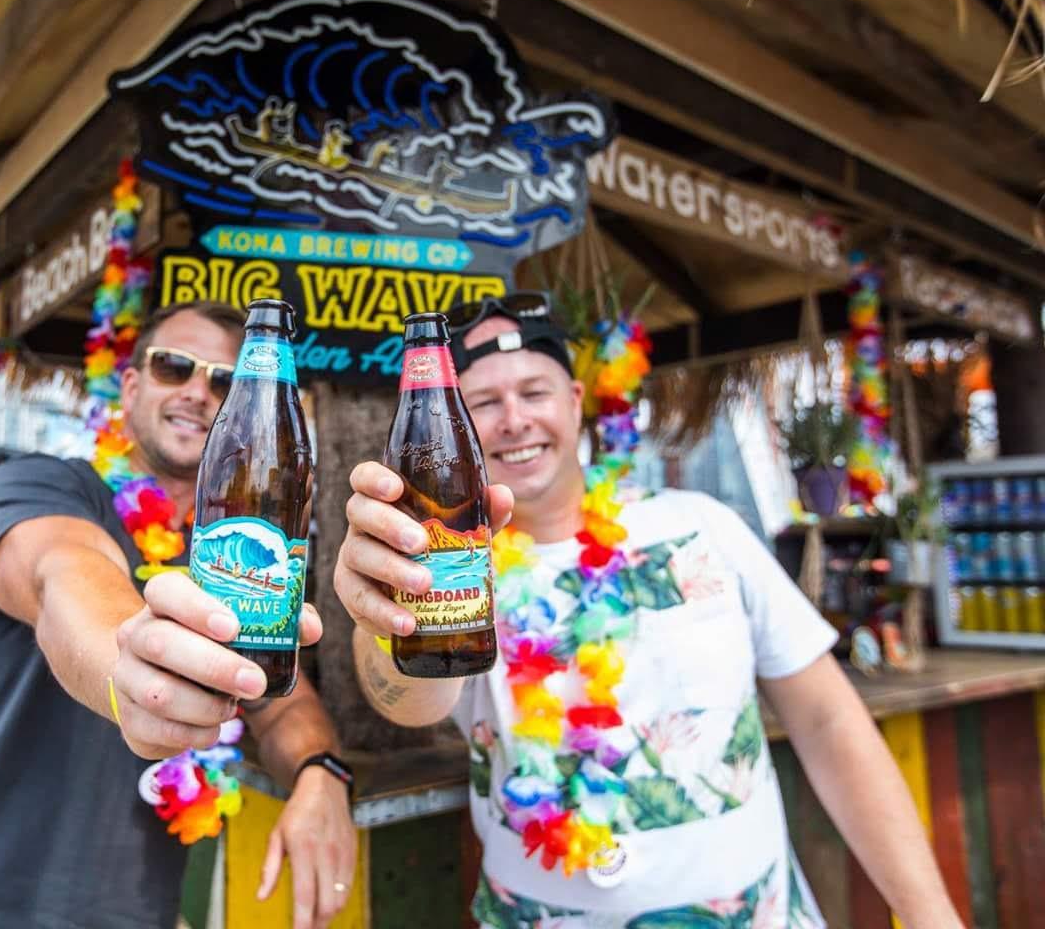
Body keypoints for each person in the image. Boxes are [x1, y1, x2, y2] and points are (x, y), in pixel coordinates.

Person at [334, 296, 964, 928]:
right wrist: (384, 609)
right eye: (484, 403)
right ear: (453, 425)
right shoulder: (448, 574)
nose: (514, 420)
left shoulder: (702, 526)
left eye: (534, 392)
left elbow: (828, 720)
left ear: (576, 399)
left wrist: (929, 913)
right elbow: (408, 703)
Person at [0, 303, 356, 929]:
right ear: (132, 384)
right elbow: (64, 578)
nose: (200, 393)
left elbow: (280, 701)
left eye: (227, 381)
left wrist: (322, 772)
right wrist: (133, 666)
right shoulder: (31, 488)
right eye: (176, 367)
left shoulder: (230, 557)